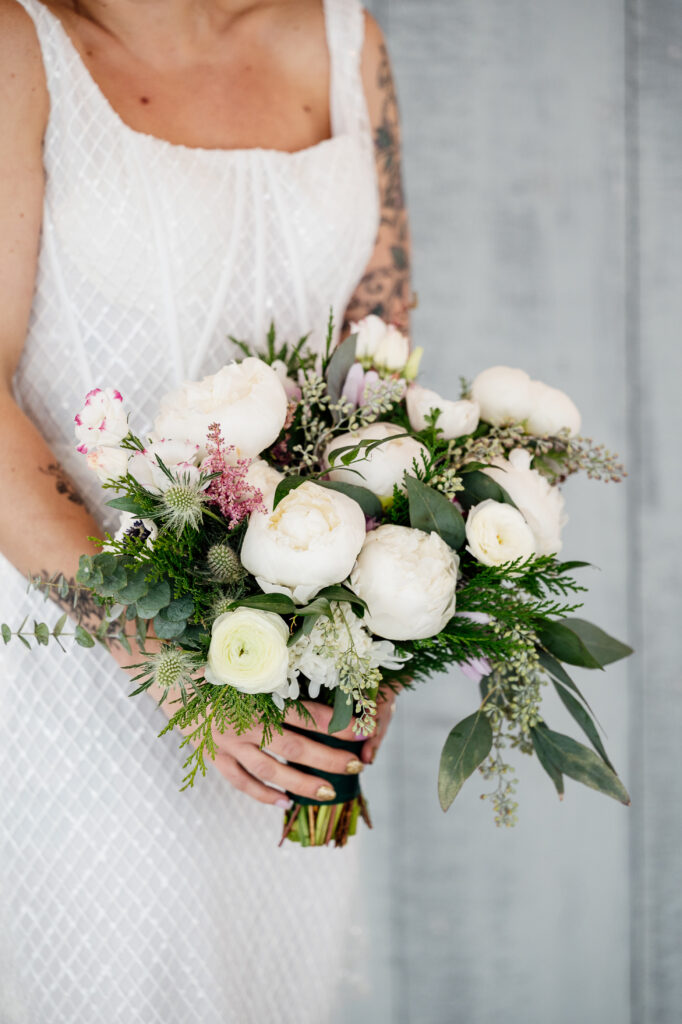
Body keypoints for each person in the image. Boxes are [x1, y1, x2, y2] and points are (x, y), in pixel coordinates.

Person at [0, 0, 413, 1019]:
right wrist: (180, 668)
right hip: (67, 666)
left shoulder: (343, 38)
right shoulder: (21, 41)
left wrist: (382, 624)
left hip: (295, 670)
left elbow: (384, 352)